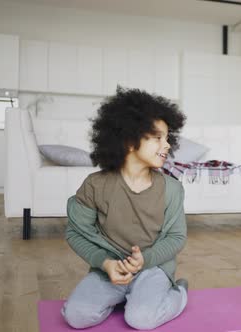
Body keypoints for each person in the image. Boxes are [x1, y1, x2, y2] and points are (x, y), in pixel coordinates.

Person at [62, 87, 189, 329]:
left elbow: (176, 236)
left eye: (168, 138)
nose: (168, 145)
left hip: (153, 269)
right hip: (109, 268)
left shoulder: (172, 189)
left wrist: (146, 259)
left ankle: (179, 292)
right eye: (158, 138)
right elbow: (75, 233)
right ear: (130, 141)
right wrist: (105, 263)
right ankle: (126, 296)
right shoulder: (95, 185)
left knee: (140, 319)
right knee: (76, 316)